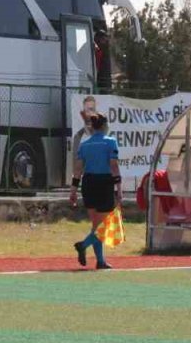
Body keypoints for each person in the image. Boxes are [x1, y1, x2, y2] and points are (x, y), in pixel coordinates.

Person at [69, 113, 120, 270]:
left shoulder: (85, 145)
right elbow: (113, 166)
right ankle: (83, 245)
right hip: (104, 183)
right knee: (102, 226)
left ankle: (100, 261)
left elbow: (78, 169)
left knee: (96, 225)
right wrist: (119, 187)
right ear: (104, 126)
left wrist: (73, 190)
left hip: (88, 183)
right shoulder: (110, 142)